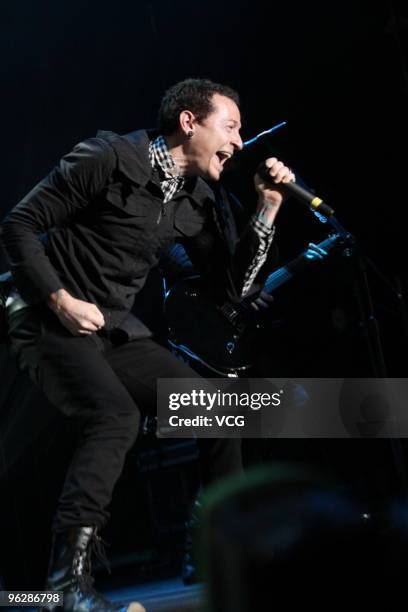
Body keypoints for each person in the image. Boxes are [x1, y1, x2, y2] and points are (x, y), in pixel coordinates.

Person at [0, 78, 294, 611]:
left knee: (217, 412)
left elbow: (234, 289)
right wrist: (61, 298)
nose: (240, 142)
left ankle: (232, 557)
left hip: (111, 326)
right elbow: (18, 224)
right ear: (189, 122)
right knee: (114, 416)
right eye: (230, 127)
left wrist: (268, 207)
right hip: (42, 308)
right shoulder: (109, 156)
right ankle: (65, 589)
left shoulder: (197, 197)